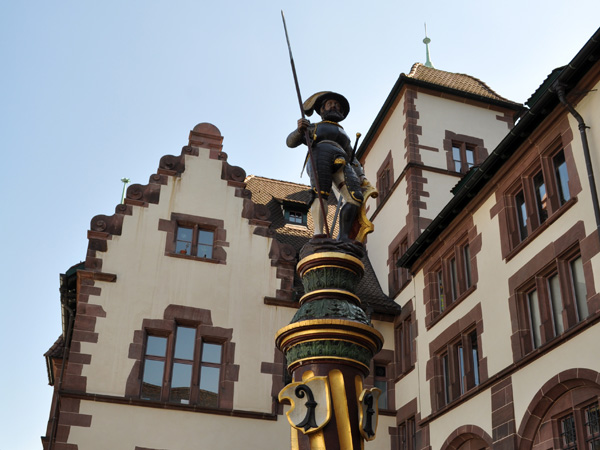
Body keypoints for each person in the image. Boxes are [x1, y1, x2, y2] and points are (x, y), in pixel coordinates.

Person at [286, 91, 367, 240]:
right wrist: (299, 130)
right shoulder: (314, 127)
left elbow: (352, 157)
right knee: (320, 193)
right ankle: (318, 233)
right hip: (320, 154)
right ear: (322, 109)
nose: (334, 106)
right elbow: (290, 142)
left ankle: (343, 237)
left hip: (342, 159)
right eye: (330, 104)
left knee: (355, 198)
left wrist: (361, 175)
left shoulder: (343, 133)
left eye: (337, 105)